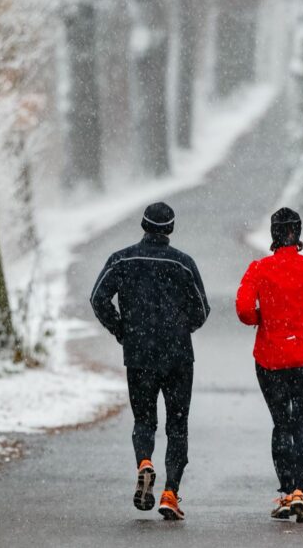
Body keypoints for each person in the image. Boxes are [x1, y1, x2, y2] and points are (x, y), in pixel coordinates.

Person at [89, 202, 210, 521]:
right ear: (170, 229)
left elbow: (98, 298)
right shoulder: (183, 263)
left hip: (139, 353)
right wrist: (181, 329)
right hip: (178, 356)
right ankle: (170, 494)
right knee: (177, 426)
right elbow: (202, 309)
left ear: (143, 225)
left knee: (144, 421)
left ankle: (145, 462)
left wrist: (122, 330)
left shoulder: (122, 259)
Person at [235, 207, 303, 523]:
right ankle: (300, 491)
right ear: (298, 232)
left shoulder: (258, 268)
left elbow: (242, 309)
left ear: (273, 234)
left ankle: (284, 493)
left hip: (270, 359)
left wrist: (260, 318)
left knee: (282, 424)